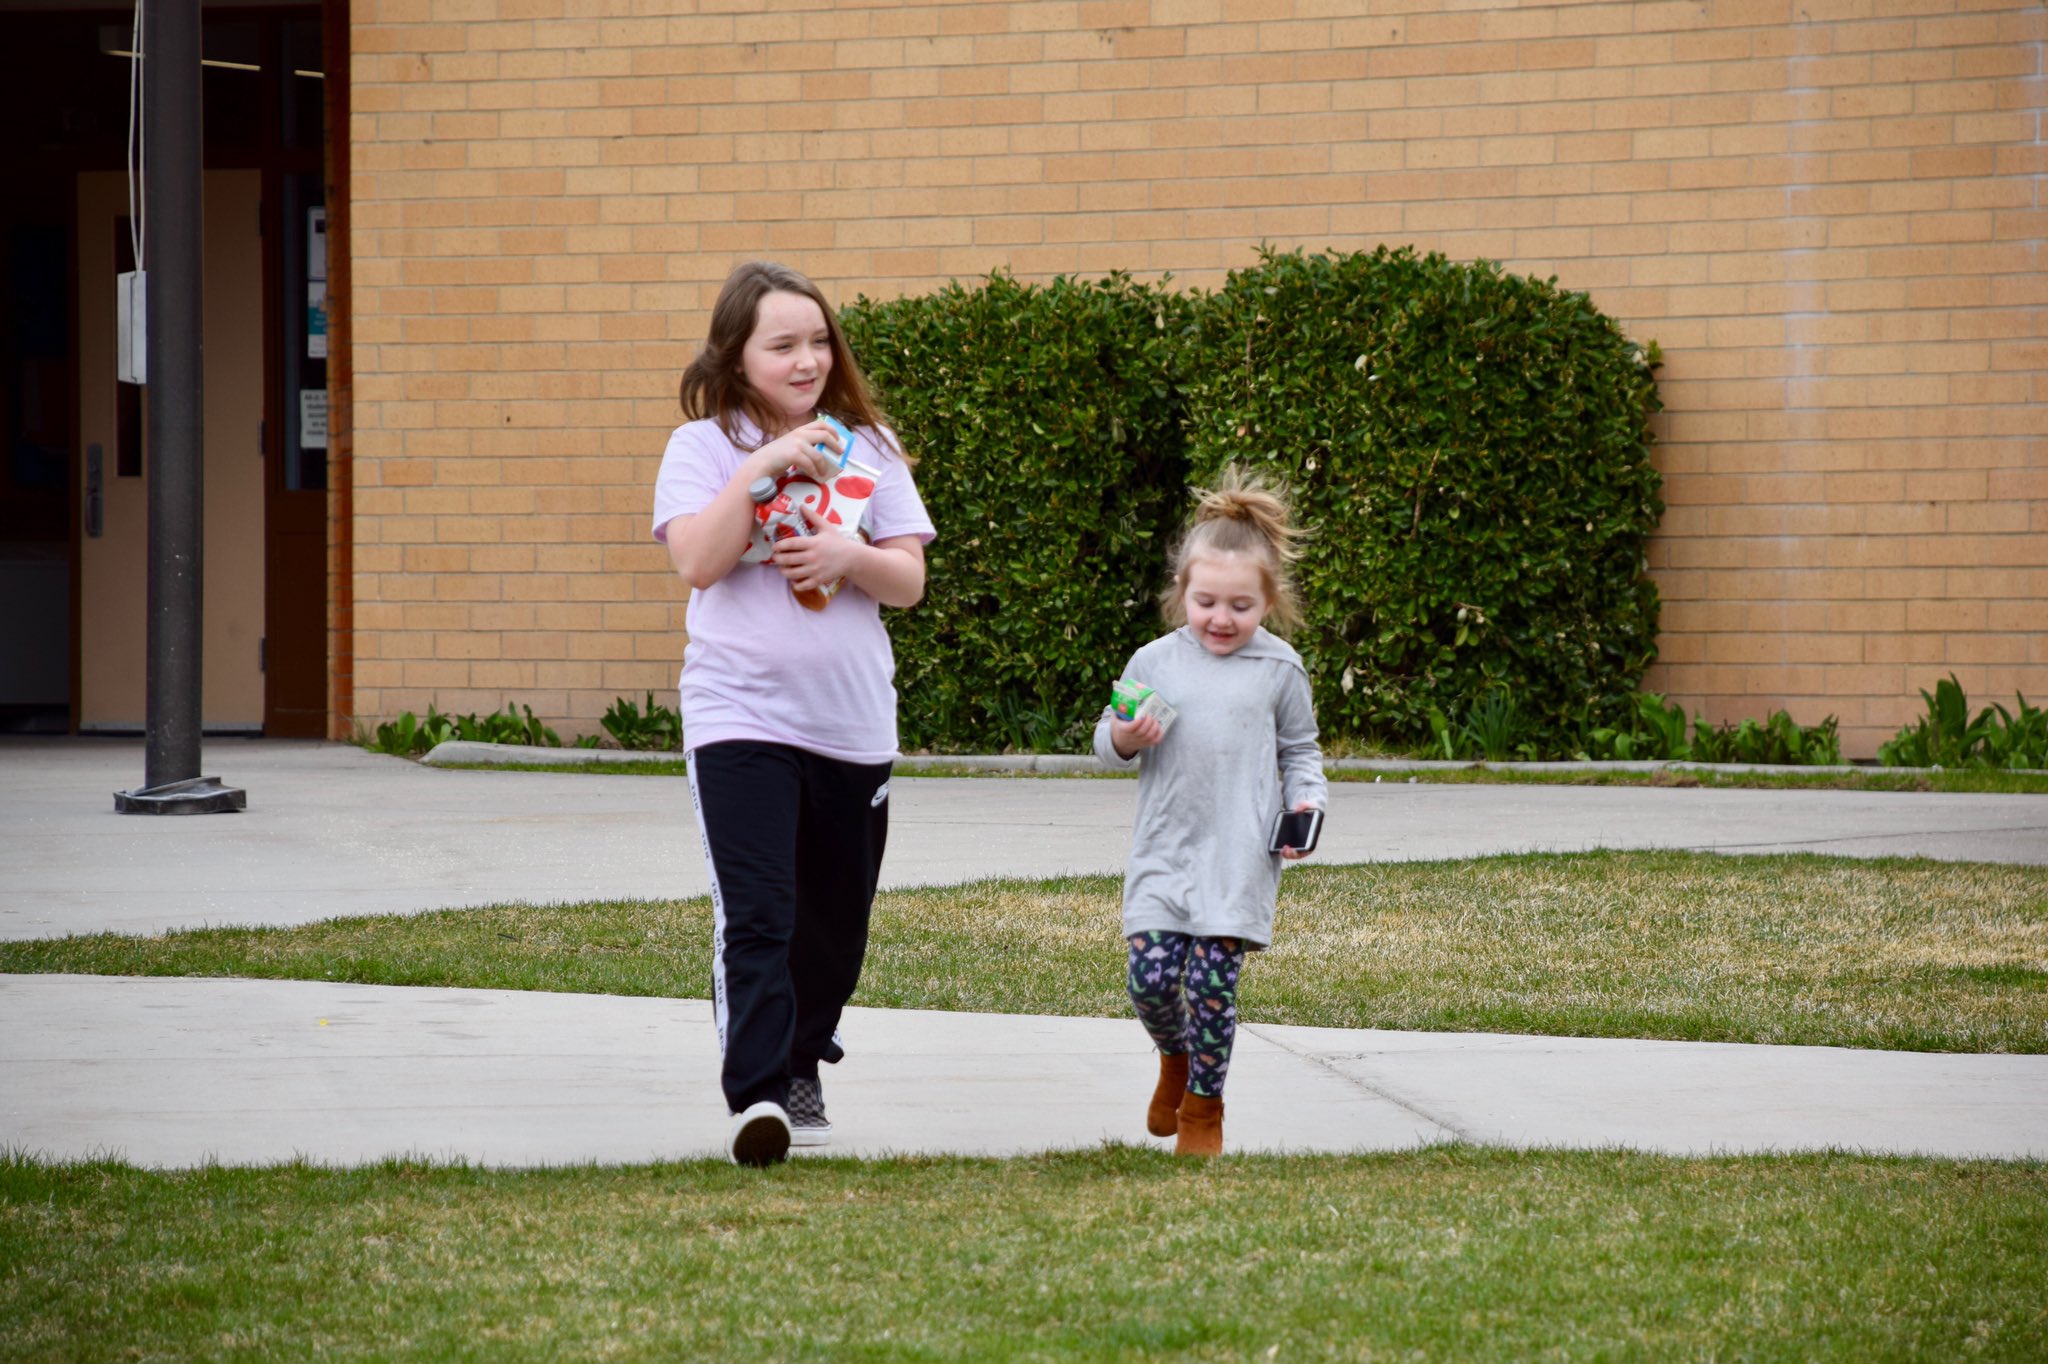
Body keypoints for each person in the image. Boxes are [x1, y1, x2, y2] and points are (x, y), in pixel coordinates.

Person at [651, 261, 935, 1167]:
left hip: (851, 723)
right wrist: (765, 466)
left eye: (819, 341)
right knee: (760, 911)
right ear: (737, 356)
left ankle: (806, 1049)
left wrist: (848, 557)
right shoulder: (700, 448)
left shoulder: (871, 447)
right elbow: (698, 562)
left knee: (835, 923)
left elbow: (910, 582)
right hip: (739, 716)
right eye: (784, 344)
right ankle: (760, 1096)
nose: (807, 359)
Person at [1093, 468, 1327, 1157]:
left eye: (1239, 606)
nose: (1221, 619)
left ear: (1268, 602)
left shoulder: (1280, 670)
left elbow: (1302, 754)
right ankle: (1175, 1058)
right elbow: (1109, 741)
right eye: (1206, 602)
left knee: (1213, 986)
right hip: (1165, 853)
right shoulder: (1153, 662)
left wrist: (1306, 807)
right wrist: (1123, 737)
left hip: (1237, 859)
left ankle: (1204, 1108)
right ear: (1181, 595)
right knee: (1153, 981)